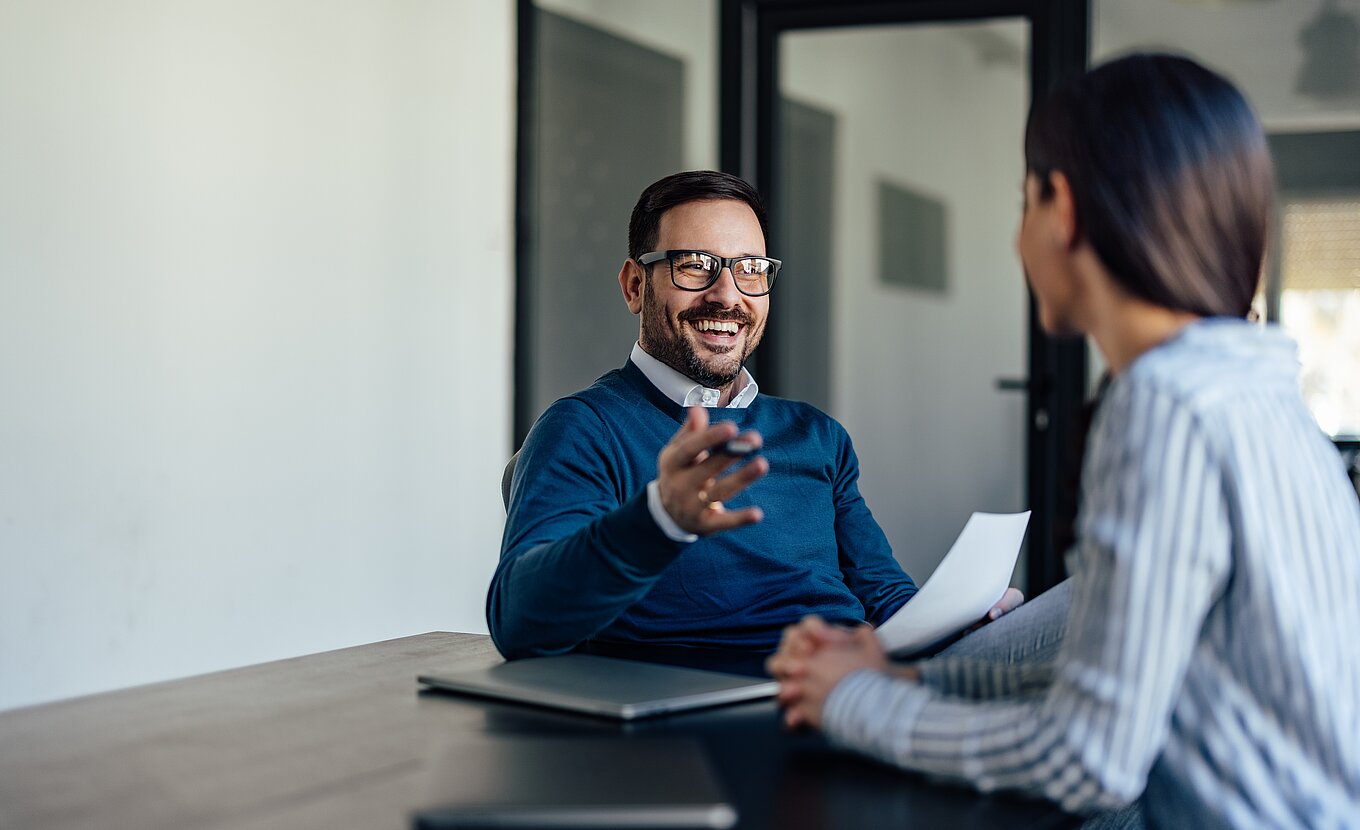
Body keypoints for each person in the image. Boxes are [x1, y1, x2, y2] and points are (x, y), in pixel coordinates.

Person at [768, 53, 1360, 828]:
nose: (1018, 240)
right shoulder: (1253, 387)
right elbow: (1105, 661)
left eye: (1023, 201)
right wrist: (910, 684)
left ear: (1062, 209)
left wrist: (852, 703)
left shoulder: (1165, 405)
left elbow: (1087, 758)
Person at [488, 170, 1022, 666]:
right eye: (695, 265)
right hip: (712, 726)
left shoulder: (817, 436)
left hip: (850, 696)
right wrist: (659, 520)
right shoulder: (582, 430)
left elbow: (884, 596)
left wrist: (961, 621)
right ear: (635, 286)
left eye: (750, 270)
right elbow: (519, 619)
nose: (728, 296)